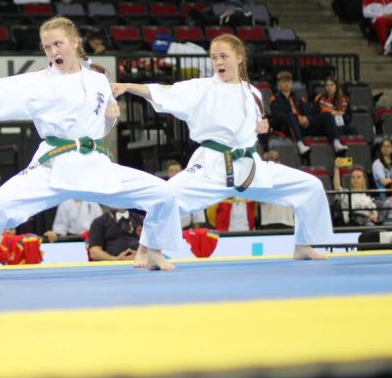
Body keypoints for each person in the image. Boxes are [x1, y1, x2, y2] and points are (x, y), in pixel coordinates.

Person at [0, 16, 182, 277]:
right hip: (54, 165)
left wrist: (110, 116)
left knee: (163, 194)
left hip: (95, 164)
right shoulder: (38, 82)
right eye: (47, 47)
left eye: (58, 44)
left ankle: (153, 251)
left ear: (75, 42)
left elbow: (100, 127)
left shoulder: (97, 80)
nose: (53, 51)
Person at [116, 34, 333, 260]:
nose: (218, 62)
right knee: (166, 195)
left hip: (250, 168)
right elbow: (164, 91)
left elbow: (249, 125)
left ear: (239, 57)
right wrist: (128, 86)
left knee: (309, 186)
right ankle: (147, 251)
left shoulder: (253, 93)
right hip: (212, 165)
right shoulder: (201, 88)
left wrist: (259, 127)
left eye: (223, 56)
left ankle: (303, 245)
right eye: (214, 57)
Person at [269, 71, 347, 155]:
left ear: (291, 83)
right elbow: (277, 116)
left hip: (304, 125)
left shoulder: (298, 97)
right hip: (288, 127)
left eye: (288, 81)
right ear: (279, 84)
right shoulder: (275, 99)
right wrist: (298, 118)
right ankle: (300, 145)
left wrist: (307, 119)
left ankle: (336, 142)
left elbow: (309, 112)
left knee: (327, 115)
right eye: (284, 82)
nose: (286, 84)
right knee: (291, 115)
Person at [333, 159, 379, 226]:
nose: (355, 179)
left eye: (358, 177)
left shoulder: (368, 198)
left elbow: (375, 215)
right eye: (353, 177)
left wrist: (372, 217)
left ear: (364, 181)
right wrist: (336, 168)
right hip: (353, 224)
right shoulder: (346, 194)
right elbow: (337, 187)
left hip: (368, 223)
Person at [257, 151, 295, 230]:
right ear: (279, 160)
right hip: (287, 220)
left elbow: (258, 199)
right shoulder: (290, 174)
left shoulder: (261, 176)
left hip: (270, 221)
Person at [165, 161, 207, 229]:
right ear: (168, 173)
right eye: (171, 171)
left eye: (176, 171)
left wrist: (196, 229)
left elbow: (197, 210)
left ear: (181, 172)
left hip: (186, 229)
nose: (174, 173)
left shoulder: (189, 189)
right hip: (168, 228)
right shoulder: (163, 190)